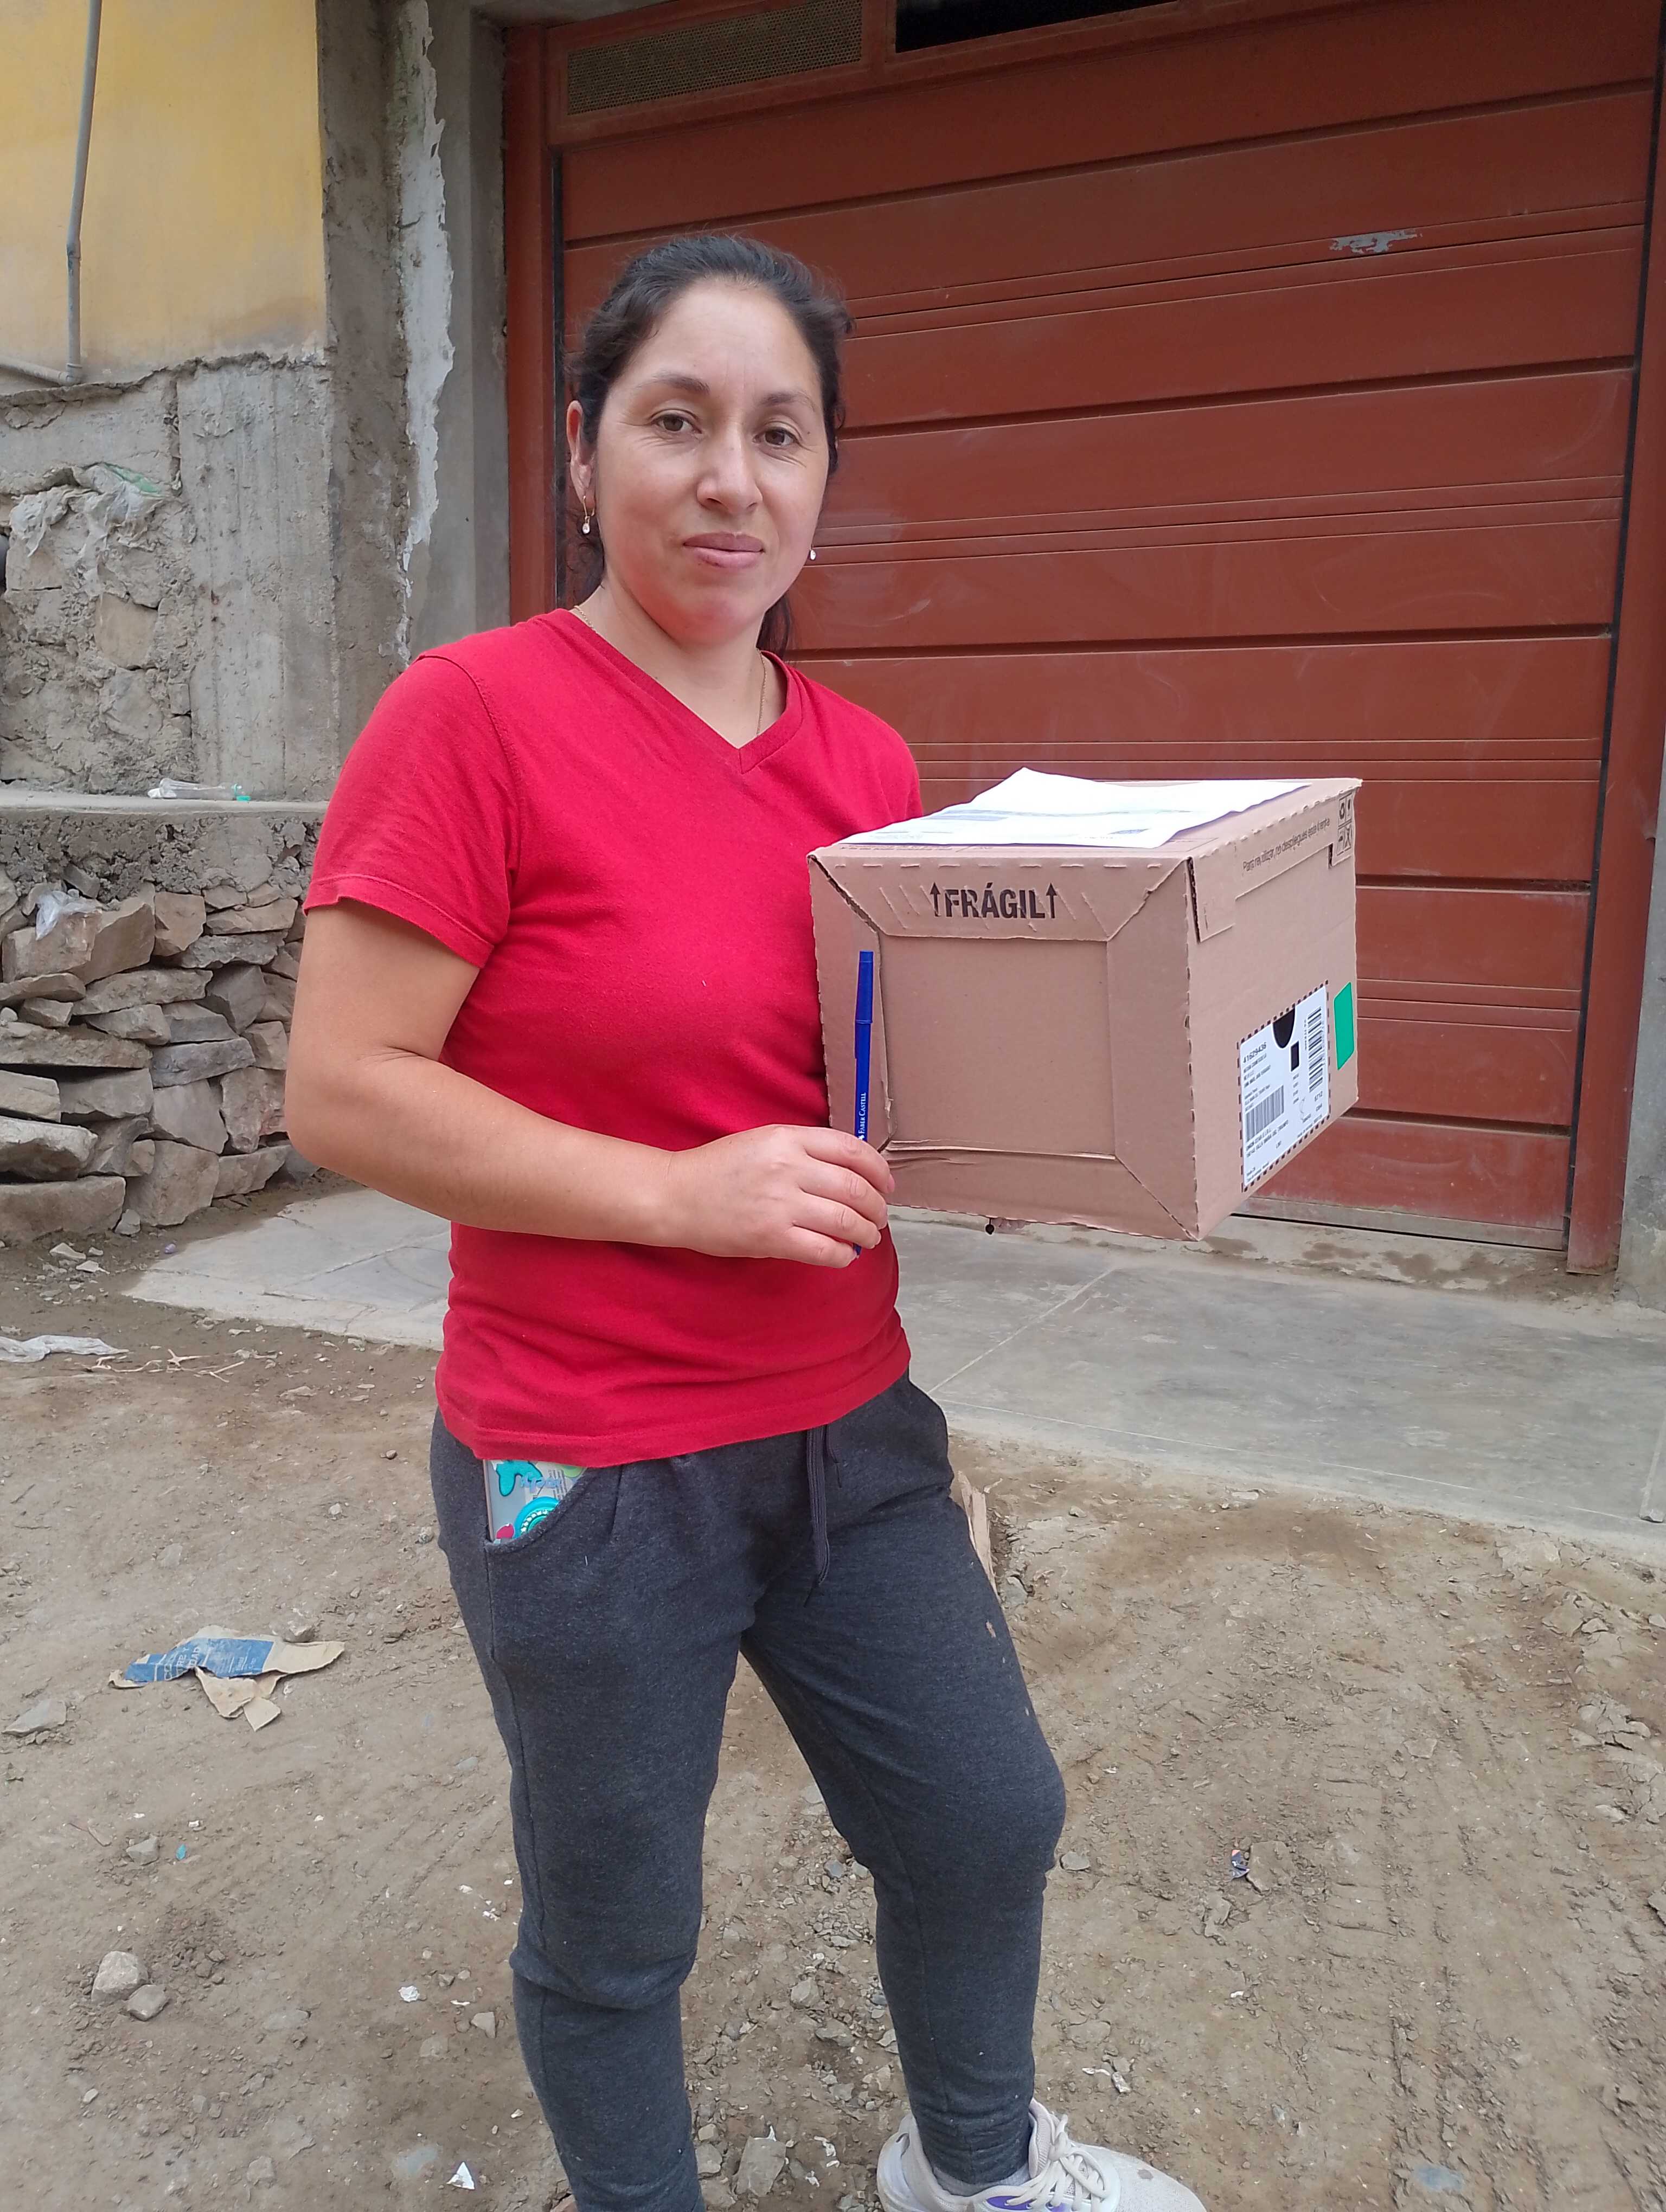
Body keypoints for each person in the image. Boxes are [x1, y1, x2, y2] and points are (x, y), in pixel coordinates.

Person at [287, 233, 1205, 2212]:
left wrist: (1043, 1135)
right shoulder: (472, 718)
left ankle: (971, 2170)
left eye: (780, 433)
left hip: (846, 1432)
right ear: (582, 451)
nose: (731, 479)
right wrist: (672, 1195)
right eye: (677, 422)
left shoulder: (859, 760)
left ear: (825, 475)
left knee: (983, 1819)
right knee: (619, 1924)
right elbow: (346, 1086)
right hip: (589, 1458)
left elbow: (865, 1081)